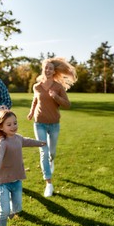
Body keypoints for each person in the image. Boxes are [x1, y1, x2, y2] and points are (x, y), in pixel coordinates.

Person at [0, 109, 46, 226]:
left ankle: (11, 208)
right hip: (2, 181)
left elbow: (27, 141)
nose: (13, 126)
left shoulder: (18, 138)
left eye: (15, 123)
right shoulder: (2, 143)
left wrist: (40, 143)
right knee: (4, 211)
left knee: (17, 208)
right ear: (0, 127)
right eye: (9, 124)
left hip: (16, 181)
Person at [27, 57, 77, 197]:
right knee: (43, 151)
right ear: (43, 70)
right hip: (39, 123)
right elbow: (35, 100)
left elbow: (67, 104)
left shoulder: (58, 87)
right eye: (45, 68)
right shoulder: (36, 86)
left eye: (50, 68)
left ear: (54, 71)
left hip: (54, 124)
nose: (47, 70)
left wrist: (56, 97)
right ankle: (48, 183)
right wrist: (31, 112)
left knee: (51, 152)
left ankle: (52, 160)